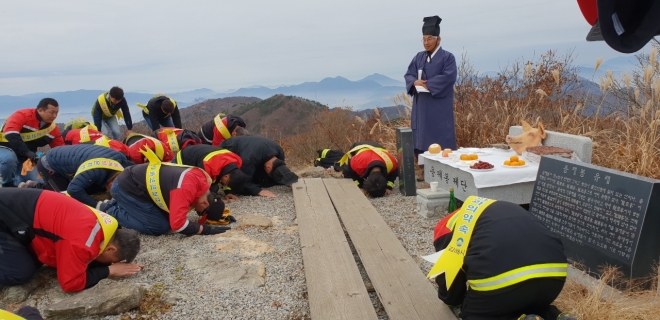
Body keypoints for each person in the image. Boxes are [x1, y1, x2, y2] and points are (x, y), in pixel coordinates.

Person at [430, 197, 574, 320]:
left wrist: (448, 297)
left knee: (472, 315)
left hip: (505, 281)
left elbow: (450, 285)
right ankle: (556, 316)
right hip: (554, 277)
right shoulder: (493, 208)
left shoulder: (445, 227)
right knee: (527, 300)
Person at [0, 188, 142, 293]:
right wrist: (109, 270)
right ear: (111, 249)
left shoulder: (107, 226)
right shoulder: (81, 241)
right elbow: (70, 283)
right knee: (20, 272)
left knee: (34, 261)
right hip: (5, 218)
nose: (110, 263)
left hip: (16, 215)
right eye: (112, 260)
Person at [103, 152, 230, 236]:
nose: (197, 213)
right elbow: (178, 225)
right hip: (126, 187)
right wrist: (204, 230)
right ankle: (111, 210)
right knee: (160, 227)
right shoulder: (185, 189)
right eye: (201, 212)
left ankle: (122, 203)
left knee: (165, 218)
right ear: (204, 202)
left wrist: (219, 213)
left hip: (136, 184)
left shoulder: (203, 181)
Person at [404, 16, 458, 159]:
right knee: (421, 135)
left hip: (439, 105)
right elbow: (409, 74)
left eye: (429, 39)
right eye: (424, 39)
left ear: (438, 39)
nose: (426, 43)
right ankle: (422, 167)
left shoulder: (448, 57)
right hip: (421, 105)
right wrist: (415, 82)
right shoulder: (418, 57)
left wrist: (427, 84)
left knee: (440, 134)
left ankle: (444, 165)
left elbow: (449, 77)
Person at [33, 144, 133, 209]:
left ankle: (38, 186)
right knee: (65, 201)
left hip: (68, 161)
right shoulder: (97, 170)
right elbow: (73, 190)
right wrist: (97, 206)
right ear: (113, 181)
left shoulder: (122, 160)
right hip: (50, 165)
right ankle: (30, 189)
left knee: (87, 188)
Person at [0, 98, 64, 187]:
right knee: (9, 159)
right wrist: (27, 152)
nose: (54, 116)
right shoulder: (22, 115)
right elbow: (10, 134)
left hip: (26, 158)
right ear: (40, 110)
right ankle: (7, 185)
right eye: (52, 112)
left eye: (56, 113)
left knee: (36, 184)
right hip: (5, 149)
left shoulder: (53, 129)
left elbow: (60, 150)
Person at [220, 136, 298, 198]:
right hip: (226, 150)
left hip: (254, 149)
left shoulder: (279, 151)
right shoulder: (248, 159)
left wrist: (288, 180)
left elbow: (280, 168)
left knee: (267, 181)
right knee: (239, 184)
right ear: (268, 167)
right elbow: (243, 180)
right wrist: (258, 191)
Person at [175, 144, 250, 196]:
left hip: (199, 153)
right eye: (226, 183)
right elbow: (202, 187)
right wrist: (215, 199)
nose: (224, 184)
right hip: (182, 159)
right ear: (226, 176)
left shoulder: (236, 161)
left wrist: (228, 192)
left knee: (214, 188)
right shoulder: (209, 166)